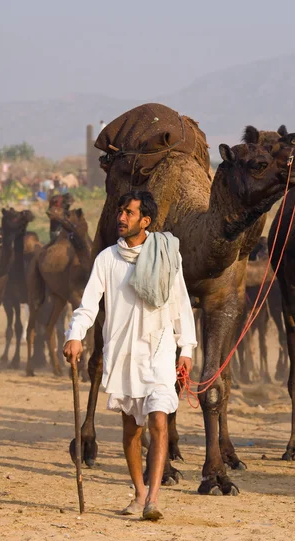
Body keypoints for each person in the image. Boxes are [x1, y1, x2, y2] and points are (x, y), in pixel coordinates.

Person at [63, 191, 196, 521]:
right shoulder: (107, 259)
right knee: (131, 430)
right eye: (120, 211)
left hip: (160, 350)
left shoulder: (166, 256)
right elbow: (89, 304)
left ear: (145, 221)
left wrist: (187, 347)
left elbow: (181, 303)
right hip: (123, 353)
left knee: (159, 419)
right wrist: (75, 336)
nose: (120, 217)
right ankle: (138, 491)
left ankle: (153, 498)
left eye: (129, 213)